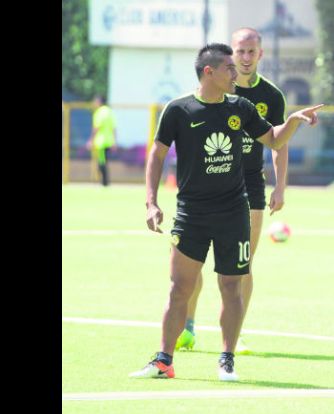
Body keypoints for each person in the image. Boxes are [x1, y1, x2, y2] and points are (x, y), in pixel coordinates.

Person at [130, 43, 322, 381]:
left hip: (234, 213)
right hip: (192, 214)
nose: (236, 74)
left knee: (232, 286)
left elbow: (274, 140)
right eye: (229, 69)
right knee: (179, 288)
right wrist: (151, 201)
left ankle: (227, 359)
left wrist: (292, 122)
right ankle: (164, 360)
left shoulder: (241, 107)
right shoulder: (179, 110)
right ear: (209, 72)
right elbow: (157, 155)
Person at [176, 28, 289, 354]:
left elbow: (278, 143)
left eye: (251, 52)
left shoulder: (272, 96)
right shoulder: (213, 89)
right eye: (240, 51)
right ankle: (188, 326)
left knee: (243, 264)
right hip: (208, 183)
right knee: (193, 263)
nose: (245, 57)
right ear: (231, 53)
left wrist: (280, 187)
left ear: (260, 54)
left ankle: (233, 335)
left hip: (250, 183)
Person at [86, 94, 117, 186]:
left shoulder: (99, 112)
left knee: (102, 162)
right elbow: (114, 127)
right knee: (103, 161)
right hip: (109, 141)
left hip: (101, 142)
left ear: (99, 102)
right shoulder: (109, 111)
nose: (94, 103)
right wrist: (114, 141)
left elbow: (97, 128)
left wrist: (91, 140)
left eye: (95, 101)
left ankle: (105, 182)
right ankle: (104, 182)